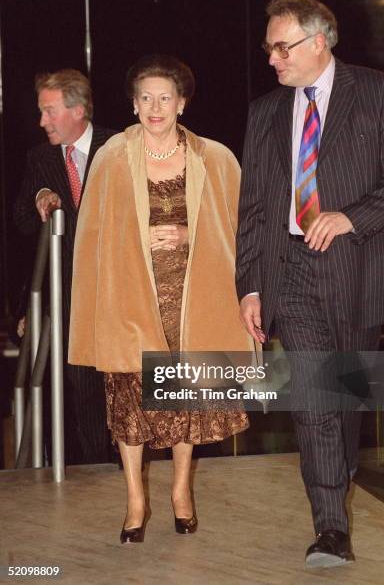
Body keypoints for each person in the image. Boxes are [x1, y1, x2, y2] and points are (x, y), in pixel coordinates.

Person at [236, 0, 384, 568]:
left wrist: (352, 215)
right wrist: (250, 285)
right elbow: (253, 207)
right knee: (313, 396)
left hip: (360, 270)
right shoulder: (265, 113)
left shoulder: (380, 94)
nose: (273, 59)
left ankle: (337, 475)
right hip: (292, 270)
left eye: (283, 46)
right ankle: (331, 530)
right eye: (269, 48)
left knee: (344, 397)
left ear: (319, 40)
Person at [68, 54, 252, 543]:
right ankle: (134, 500)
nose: (155, 106)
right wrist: (132, 241)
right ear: (132, 104)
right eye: (145, 97)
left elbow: (238, 229)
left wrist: (192, 232)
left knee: (184, 401)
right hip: (130, 299)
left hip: (192, 302)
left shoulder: (215, 158)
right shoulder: (110, 157)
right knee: (129, 402)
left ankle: (181, 491)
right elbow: (91, 237)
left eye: (165, 97)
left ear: (182, 103)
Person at [14, 69, 115, 465]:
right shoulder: (39, 158)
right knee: (83, 388)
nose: (42, 122)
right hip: (70, 298)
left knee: (124, 386)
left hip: (119, 291)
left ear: (77, 109)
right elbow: (22, 219)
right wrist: (40, 194)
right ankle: (98, 472)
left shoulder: (119, 145)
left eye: (49, 111)